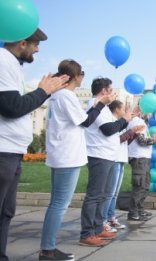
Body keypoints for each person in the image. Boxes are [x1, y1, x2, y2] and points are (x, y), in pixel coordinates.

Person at [0, 29, 69, 261]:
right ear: (22, 43)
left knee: (6, 212)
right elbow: (12, 107)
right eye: (35, 44)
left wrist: (42, 92)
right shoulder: (2, 60)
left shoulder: (12, 64)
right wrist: (43, 91)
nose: (37, 49)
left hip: (12, 151)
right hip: (2, 151)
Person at [38, 60, 115, 260]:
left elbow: (82, 119)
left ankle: (48, 247)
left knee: (56, 203)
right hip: (67, 156)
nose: (83, 77)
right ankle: (47, 249)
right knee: (59, 204)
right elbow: (86, 121)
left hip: (61, 154)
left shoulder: (56, 95)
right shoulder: (66, 96)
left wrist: (98, 106)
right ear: (76, 76)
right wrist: (101, 105)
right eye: (81, 73)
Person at [80, 78, 133, 247]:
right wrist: (124, 120)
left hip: (108, 155)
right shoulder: (95, 105)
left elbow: (112, 128)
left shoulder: (103, 108)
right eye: (111, 90)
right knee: (94, 195)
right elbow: (108, 130)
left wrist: (125, 119)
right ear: (104, 91)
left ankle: (97, 228)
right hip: (98, 155)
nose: (113, 93)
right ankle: (87, 233)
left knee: (102, 195)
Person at [102, 101, 144, 231]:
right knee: (110, 193)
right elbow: (117, 139)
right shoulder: (114, 124)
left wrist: (134, 133)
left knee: (114, 193)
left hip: (121, 159)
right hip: (114, 159)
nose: (125, 111)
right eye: (123, 109)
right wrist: (131, 131)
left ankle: (111, 217)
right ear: (116, 109)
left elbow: (125, 141)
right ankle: (103, 220)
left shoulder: (121, 124)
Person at [127, 111, 156, 221]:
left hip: (144, 158)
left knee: (144, 185)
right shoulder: (136, 121)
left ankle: (140, 210)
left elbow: (144, 139)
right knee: (139, 186)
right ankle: (133, 212)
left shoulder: (142, 122)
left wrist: (154, 136)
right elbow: (142, 141)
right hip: (139, 158)